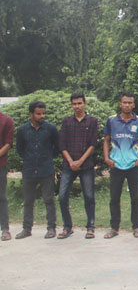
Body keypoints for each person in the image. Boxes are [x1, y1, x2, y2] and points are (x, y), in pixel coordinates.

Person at [103, 92, 138, 239]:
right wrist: (106, 158)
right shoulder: (111, 121)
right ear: (120, 104)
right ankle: (114, 228)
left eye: (130, 103)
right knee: (114, 198)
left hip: (132, 165)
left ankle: (136, 227)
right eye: (125, 102)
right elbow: (106, 140)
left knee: (136, 198)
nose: (127, 105)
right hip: (116, 165)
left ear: (133, 105)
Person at [15, 101, 59, 239]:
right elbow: (20, 149)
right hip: (28, 170)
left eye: (44, 113)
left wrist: (46, 158)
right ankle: (26, 229)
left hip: (46, 169)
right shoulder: (22, 130)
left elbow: (56, 148)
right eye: (38, 114)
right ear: (31, 114)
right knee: (28, 200)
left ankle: (51, 228)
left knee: (49, 199)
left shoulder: (51, 129)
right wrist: (29, 159)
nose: (42, 116)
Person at [58, 91, 98, 239]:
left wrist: (80, 161)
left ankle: (90, 227)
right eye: (74, 104)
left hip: (86, 165)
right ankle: (67, 227)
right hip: (68, 165)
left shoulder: (92, 121)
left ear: (84, 103)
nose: (77, 106)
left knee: (89, 196)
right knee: (62, 196)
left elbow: (93, 144)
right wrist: (71, 162)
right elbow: (62, 144)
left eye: (79, 103)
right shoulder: (66, 121)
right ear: (71, 105)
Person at [0, 108, 14, 241]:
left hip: (0, 165)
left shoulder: (6, 120)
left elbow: (9, 143)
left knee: (1, 197)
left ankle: (5, 228)